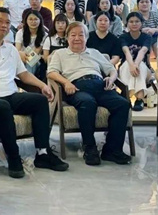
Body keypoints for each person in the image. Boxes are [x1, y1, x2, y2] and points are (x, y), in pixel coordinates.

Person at [0, 7, 69, 178]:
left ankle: (43, 153)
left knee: (40, 101)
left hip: (11, 94)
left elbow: (24, 75)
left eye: (7, 22)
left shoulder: (11, 49)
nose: (4, 25)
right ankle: (13, 157)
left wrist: (43, 85)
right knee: (3, 107)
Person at [48, 22, 131, 166]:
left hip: (100, 85)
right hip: (76, 87)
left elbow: (111, 69)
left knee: (123, 104)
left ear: (86, 37)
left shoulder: (95, 53)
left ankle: (112, 150)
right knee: (87, 103)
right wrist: (66, 83)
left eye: (81, 35)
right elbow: (51, 72)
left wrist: (111, 79)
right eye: (73, 35)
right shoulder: (60, 54)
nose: (77, 38)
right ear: (67, 37)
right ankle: (90, 148)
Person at [119, 12, 152, 111]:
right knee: (126, 64)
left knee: (140, 65)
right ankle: (131, 99)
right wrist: (132, 65)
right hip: (126, 67)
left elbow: (143, 51)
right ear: (127, 23)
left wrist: (136, 64)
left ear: (141, 23)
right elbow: (126, 52)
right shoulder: (123, 37)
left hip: (145, 69)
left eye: (137, 21)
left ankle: (137, 98)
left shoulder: (147, 37)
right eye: (131, 21)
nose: (134, 24)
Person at [15, 10, 47, 79]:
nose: (33, 22)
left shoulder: (44, 35)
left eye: (36, 19)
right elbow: (18, 51)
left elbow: (36, 52)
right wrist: (23, 57)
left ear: (40, 20)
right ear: (26, 21)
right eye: (30, 19)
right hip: (21, 58)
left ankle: (27, 81)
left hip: (36, 60)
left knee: (32, 60)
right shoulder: (20, 33)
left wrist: (26, 59)